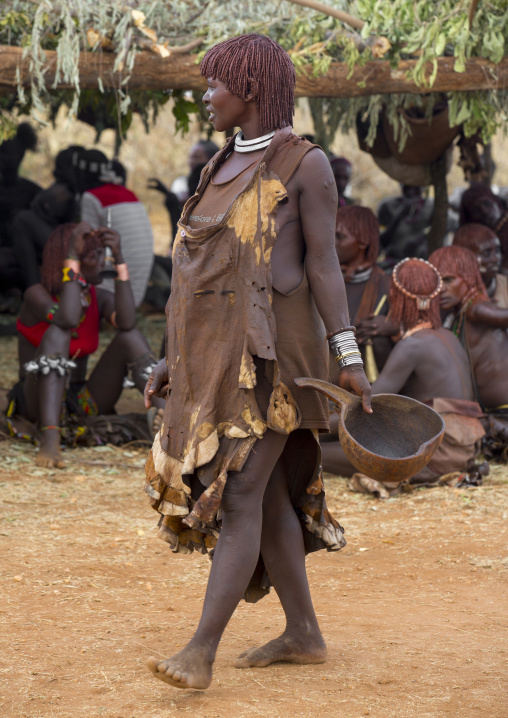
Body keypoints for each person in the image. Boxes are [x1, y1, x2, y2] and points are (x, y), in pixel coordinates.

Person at [143, 33, 372, 691]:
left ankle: (200, 653)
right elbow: (193, 272)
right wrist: (168, 355)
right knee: (266, 493)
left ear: (249, 89)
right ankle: (303, 633)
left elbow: (326, 266)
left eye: (214, 84)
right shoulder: (219, 166)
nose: (205, 96)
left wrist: (349, 356)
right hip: (216, 359)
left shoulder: (306, 166)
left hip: (275, 367)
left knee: (240, 489)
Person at [10, 222, 163, 469]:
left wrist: (120, 260)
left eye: (103, 255)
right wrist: (71, 258)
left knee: (130, 336)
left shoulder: (97, 296)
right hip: (35, 402)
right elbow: (67, 319)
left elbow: (127, 321)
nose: (101, 262)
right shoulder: (36, 295)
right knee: (59, 333)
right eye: (93, 256)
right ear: (71, 260)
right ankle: (50, 437)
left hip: (80, 401)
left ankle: (167, 420)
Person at [322, 258, 484, 482]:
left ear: (396, 299)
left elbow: (367, 407)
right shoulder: (447, 336)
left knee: (311, 451)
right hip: (464, 447)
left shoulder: (413, 345)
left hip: (434, 453)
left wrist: (309, 425)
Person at [429, 245, 508, 457]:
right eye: (436, 282)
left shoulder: (477, 308)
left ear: (469, 278)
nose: (441, 289)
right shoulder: (457, 312)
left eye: (448, 280)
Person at [79, 151, 154, 307]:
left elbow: (89, 243)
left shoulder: (90, 197)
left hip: (112, 292)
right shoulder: (129, 193)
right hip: (135, 294)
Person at [331, 205, 394, 384]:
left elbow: (411, 332)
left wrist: (392, 326)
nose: (332, 242)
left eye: (340, 237)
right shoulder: (320, 280)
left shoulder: (386, 285)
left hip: (368, 385)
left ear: (363, 241)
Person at [452, 224, 507, 307]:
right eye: (486, 253)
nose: (496, 259)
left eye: (497, 251)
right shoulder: (451, 289)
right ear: (464, 257)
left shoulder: (505, 285)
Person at [377, 184, 434, 263]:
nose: (411, 191)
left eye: (416, 188)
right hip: (393, 262)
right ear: (401, 185)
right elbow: (381, 242)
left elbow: (442, 230)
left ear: (423, 188)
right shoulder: (388, 206)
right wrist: (402, 212)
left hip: (422, 262)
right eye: (407, 187)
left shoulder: (431, 206)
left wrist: (419, 238)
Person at [459, 185, 508, 273]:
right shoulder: (478, 237)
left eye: (487, 204)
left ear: (495, 200)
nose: (485, 211)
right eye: (477, 210)